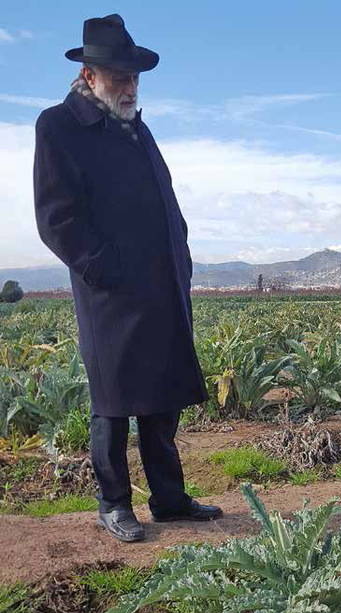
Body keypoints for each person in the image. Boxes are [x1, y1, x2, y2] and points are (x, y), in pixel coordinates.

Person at [33, 14, 222, 542]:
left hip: (160, 286)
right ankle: (114, 503)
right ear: (90, 75)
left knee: (161, 398)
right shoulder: (58, 125)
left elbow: (164, 203)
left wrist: (178, 260)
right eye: (119, 76)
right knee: (112, 404)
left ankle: (169, 499)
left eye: (135, 77)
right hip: (110, 293)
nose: (130, 85)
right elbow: (57, 219)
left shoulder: (136, 127)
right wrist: (106, 272)